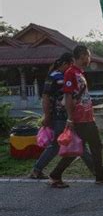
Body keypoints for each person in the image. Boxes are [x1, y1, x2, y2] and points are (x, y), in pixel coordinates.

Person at [48, 45, 103, 187]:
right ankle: (98, 176)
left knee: (83, 147)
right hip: (79, 119)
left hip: (86, 117)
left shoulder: (79, 73)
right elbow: (68, 96)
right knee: (86, 147)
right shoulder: (70, 73)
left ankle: (58, 175)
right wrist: (70, 118)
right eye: (88, 55)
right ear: (82, 56)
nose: (89, 58)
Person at [29, 53, 95, 181]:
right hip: (59, 117)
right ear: (65, 64)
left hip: (70, 115)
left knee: (79, 142)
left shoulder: (66, 76)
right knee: (58, 145)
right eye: (71, 65)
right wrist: (47, 115)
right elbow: (46, 97)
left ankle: (95, 169)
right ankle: (37, 170)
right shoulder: (54, 77)